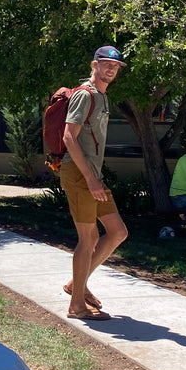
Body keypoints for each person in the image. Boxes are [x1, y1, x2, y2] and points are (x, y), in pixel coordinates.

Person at [61, 45, 129, 322]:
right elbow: (69, 137)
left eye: (115, 66)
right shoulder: (85, 94)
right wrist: (90, 179)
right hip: (79, 173)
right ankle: (77, 305)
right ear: (95, 65)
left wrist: (94, 177)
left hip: (92, 175)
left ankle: (75, 285)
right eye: (106, 64)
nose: (111, 69)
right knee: (88, 239)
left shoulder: (102, 96)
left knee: (117, 232)